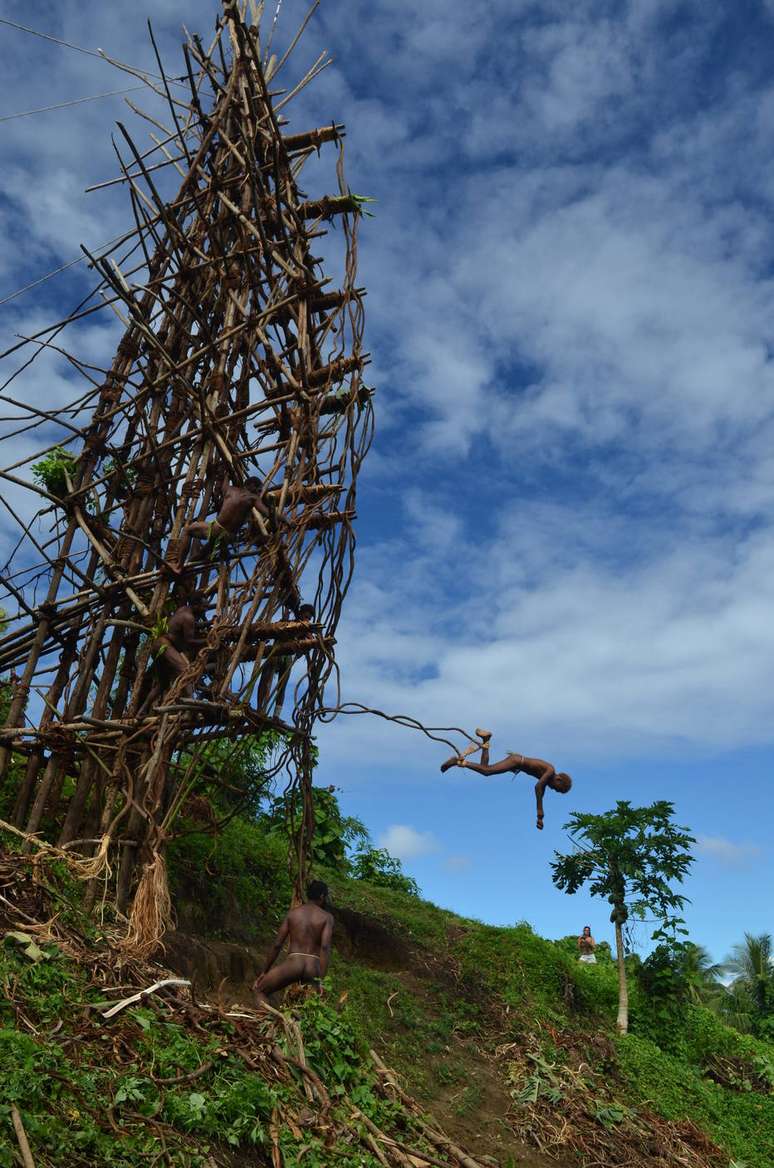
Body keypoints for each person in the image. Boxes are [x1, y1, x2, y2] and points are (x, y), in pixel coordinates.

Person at [441, 730, 572, 830]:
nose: (553, 789)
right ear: (559, 779)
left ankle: (486, 740)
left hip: (517, 763)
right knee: (487, 771)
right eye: (556, 788)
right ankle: (458, 762)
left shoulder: (548, 775)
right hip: (516, 761)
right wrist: (540, 810)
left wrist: (539, 817)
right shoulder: (550, 770)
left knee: (484, 768)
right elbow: (538, 787)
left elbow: (541, 790)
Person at [253, 880, 333, 1008]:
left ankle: (268, 1021)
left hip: (294, 963)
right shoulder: (326, 917)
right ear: (322, 896)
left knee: (260, 990)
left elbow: (277, 944)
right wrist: (321, 980)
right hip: (313, 966)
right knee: (311, 1007)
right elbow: (325, 947)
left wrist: (265, 971)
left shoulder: (293, 913)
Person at [170, 473, 270, 571]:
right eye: (258, 489)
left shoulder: (231, 490)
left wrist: (227, 474)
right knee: (201, 555)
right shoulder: (253, 499)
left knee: (187, 530)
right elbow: (268, 513)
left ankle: (178, 566)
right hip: (229, 537)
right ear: (251, 485)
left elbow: (224, 485)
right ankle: (197, 560)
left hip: (217, 530)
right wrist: (282, 519)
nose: (259, 492)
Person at [153, 591, 210, 697]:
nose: (205, 610)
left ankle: (142, 711)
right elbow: (189, 641)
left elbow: (192, 626)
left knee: (162, 684)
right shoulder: (189, 618)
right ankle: (191, 703)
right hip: (165, 646)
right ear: (196, 605)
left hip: (157, 645)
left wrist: (208, 623)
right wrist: (207, 641)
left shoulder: (183, 609)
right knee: (186, 670)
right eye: (204, 607)